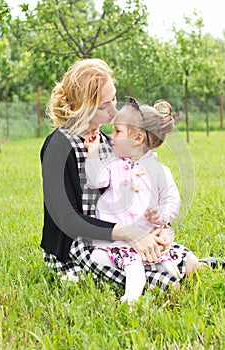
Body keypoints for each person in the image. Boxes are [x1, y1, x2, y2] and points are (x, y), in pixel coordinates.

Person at [40, 58, 225, 294]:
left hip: (113, 235)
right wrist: (129, 234)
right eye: (104, 106)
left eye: (113, 99)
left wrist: (160, 229)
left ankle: (181, 263)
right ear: (83, 107)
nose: (114, 111)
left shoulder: (108, 143)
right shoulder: (58, 146)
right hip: (75, 247)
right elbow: (67, 220)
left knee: (146, 247)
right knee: (119, 263)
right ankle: (165, 279)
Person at [84, 98, 191, 302]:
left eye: (117, 131)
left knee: (134, 264)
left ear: (137, 138)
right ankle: (163, 270)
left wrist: (161, 216)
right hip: (118, 239)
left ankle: (131, 298)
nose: (111, 137)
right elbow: (95, 178)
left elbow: (172, 199)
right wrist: (93, 151)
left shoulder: (159, 171)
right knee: (98, 257)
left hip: (144, 237)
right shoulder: (113, 165)